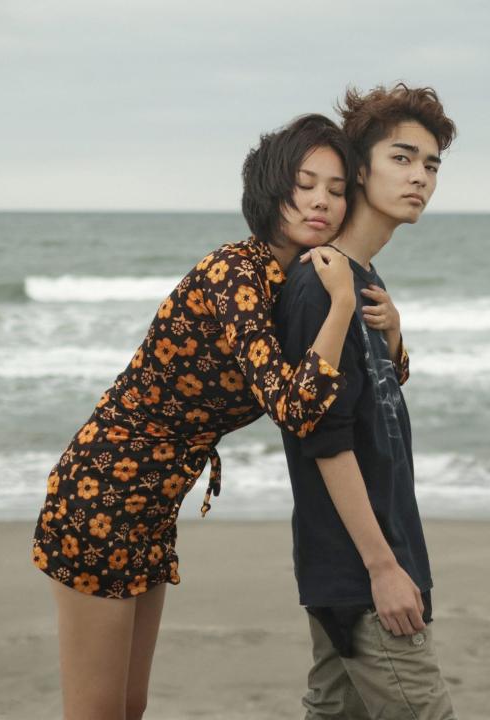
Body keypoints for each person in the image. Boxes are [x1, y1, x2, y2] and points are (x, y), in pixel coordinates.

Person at [31, 114, 359, 720]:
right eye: (306, 183)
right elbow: (297, 407)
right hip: (102, 493)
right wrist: (344, 301)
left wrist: (391, 337)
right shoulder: (238, 273)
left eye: (337, 190)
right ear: (271, 188)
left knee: (129, 707)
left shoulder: (292, 282)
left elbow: (346, 386)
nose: (321, 201)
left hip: (152, 505)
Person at [274, 84, 458, 719]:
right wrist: (382, 568)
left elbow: (376, 402)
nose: (421, 178)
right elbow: (323, 436)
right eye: (402, 159)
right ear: (359, 170)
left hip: (363, 560)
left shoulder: (361, 281)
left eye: (431, 164)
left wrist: (396, 335)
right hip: (363, 571)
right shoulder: (321, 284)